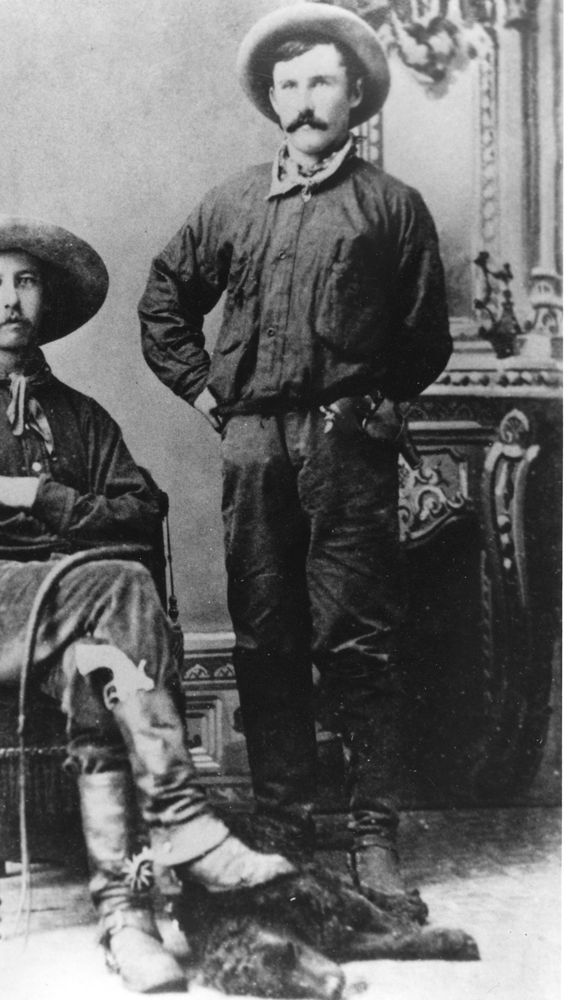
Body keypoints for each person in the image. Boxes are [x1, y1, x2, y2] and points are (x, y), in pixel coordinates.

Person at [0, 215, 295, 993]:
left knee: (99, 664)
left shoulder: (79, 414)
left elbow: (142, 507)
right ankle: (181, 821)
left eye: (26, 280)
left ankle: (125, 917)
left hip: (85, 621)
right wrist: (77, 522)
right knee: (120, 581)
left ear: (44, 299)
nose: (12, 299)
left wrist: (40, 495)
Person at [139, 1, 452, 913]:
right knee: (267, 635)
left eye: (320, 81)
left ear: (354, 93)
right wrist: (211, 397)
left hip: (346, 445)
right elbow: (165, 304)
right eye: (288, 84)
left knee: (358, 641)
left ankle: (372, 838)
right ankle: (282, 826)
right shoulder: (232, 202)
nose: (303, 99)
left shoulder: (390, 208)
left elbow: (422, 336)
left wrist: (367, 410)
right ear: (271, 100)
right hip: (254, 448)